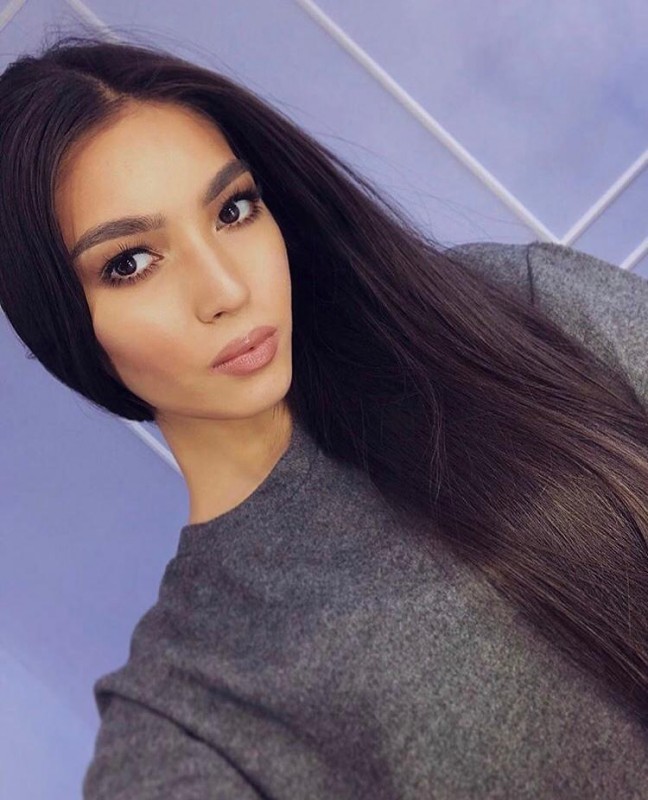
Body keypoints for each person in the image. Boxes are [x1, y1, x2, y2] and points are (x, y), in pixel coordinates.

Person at [1, 35, 647, 800]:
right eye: (131, 263)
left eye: (233, 210)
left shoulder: (498, 312)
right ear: (64, 323)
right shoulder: (191, 706)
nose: (225, 289)